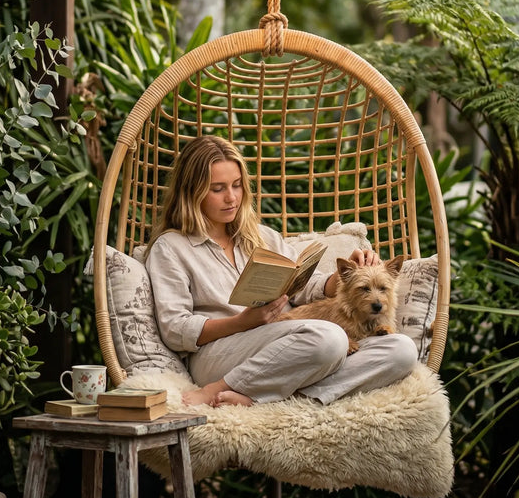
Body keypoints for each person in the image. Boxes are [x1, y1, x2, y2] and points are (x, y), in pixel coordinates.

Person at [145, 135, 417, 407]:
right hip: (220, 352)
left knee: (401, 350)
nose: (232, 198)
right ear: (192, 191)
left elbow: (303, 289)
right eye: (218, 189)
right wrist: (243, 322)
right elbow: (175, 327)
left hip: (289, 347)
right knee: (330, 338)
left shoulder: (261, 237)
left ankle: (277, 397)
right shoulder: (170, 247)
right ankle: (219, 388)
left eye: (237, 185)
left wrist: (347, 278)